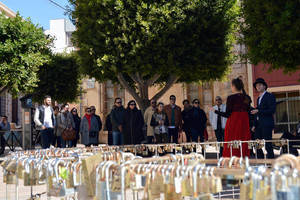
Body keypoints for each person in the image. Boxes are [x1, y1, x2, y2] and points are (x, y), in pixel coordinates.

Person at [211, 78, 251, 157]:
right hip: (244, 122)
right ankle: (243, 157)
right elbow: (248, 111)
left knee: (232, 140)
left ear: (234, 86)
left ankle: (232, 158)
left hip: (234, 122)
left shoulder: (231, 98)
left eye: (231, 85)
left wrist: (215, 111)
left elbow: (227, 114)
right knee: (243, 140)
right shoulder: (247, 97)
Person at [251, 78, 276, 159]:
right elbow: (257, 113)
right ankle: (261, 160)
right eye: (256, 85)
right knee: (257, 143)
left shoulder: (270, 96)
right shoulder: (259, 98)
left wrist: (258, 110)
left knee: (268, 144)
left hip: (267, 124)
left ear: (264, 86)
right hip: (259, 125)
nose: (257, 87)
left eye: (259, 85)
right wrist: (254, 124)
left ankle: (271, 162)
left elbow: (272, 110)